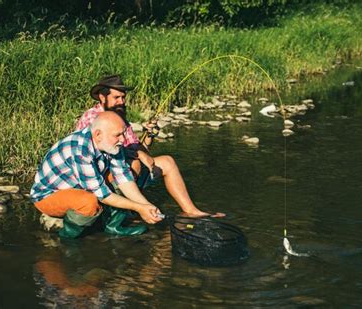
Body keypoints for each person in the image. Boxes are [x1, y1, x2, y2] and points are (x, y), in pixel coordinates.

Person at [76, 74, 224, 218]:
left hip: (123, 170)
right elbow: (107, 152)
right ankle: (123, 214)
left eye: (123, 97)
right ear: (102, 98)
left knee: (167, 162)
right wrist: (140, 155)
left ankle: (191, 211)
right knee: (135, 163)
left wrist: (149, 136)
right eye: (116, 97)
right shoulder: (93, 117)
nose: (121, 101)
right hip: (100, 174)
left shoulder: (119, 117)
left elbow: (139, 149)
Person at [30, 112, 163, 238]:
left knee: (131, 167)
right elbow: (103, 195)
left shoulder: (110, 143)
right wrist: (138, 208)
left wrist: (146, 205)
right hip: (48, 195)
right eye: (118, 135)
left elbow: (124, 179)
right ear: (98, 134)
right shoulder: (81, 149)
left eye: (123, 133)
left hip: (79, 185)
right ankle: (66, 238)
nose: (123, 140)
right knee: (88, 202)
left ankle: (112, 226)